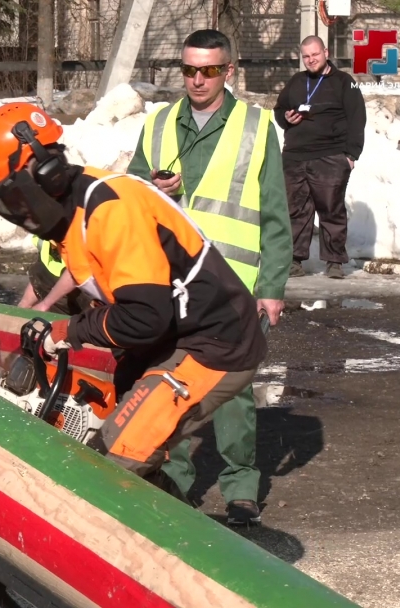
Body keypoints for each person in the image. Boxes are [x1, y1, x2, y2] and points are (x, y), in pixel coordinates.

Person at [0, 101, 267, 499]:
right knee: (107, 433)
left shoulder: (110, 210)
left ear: (45, 171)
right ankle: (163, 524)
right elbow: (93, 276)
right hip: (169, 335)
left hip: (213, 342)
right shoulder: (73, 208)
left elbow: (144, 316)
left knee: (112, 460)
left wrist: (71, 330)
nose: (16, 209)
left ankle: (149, 545)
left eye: (16, 195)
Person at [128, 29, 291, 526]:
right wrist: (154, 188)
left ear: (229, 71)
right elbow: (130, 196)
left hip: (232, 283)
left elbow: (275, 214)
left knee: (232, 389)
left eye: (210, 70)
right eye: (189, 70)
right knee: (169, 379)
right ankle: (173, 477)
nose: (198, 80)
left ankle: (240, 485)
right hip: (169, 280)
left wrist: (272, 288)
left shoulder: (255, 126)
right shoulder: (158, 123)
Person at [274, 36, 366, 279]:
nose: (310, 60)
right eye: (305, 56)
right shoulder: (296, 81)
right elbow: (279, 109)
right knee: (295, 210)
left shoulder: (345, 82)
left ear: (325, 52)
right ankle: (294, 260)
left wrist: (351, 154)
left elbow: (357, 118)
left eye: (314, 54)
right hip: (294, 156)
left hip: (331, 155)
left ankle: (334, 261)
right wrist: (286, 118)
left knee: (331, 209)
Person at [15, 236, 94, 315]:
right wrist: (24, 305)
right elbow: (41, 273)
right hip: (62, 296)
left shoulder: (81, 233)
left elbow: (77, 270)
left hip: (91, 296)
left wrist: (44, 305)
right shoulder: (47, 240)